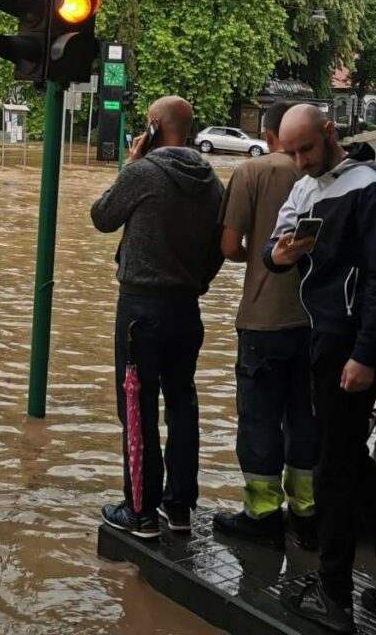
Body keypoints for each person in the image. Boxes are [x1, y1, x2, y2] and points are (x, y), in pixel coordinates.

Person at [264, 104, 376, 633]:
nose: (298, 161)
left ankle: (335, 597)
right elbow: (274, 251)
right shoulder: (306, 187)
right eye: (290, 152)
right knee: (349, 464)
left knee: (334, 470)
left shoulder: (373, 194)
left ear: (330, 133)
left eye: (306, 149)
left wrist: (366, 354)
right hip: (323, 340)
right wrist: (280, 256)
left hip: (348, 348)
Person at [91, 96, 224, 538]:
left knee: (136, 404)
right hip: (187, 308)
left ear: (152, 126)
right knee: (182, 401)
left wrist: (130, 162)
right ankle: (179, 506)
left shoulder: (144, 172)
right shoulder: (211, 180)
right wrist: (197, 282)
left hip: (141, 308)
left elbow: (102, 217)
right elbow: (219, 248)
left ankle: (141, 510)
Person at [212, 101, 318, 549]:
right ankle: (308, 511)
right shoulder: (320, 174)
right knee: (305, 416)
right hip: (316, 321)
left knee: (259, 418)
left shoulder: (252, 173)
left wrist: (257, 254)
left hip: (262, 319)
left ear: (267, 132)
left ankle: (261, 513)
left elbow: (228, 245)